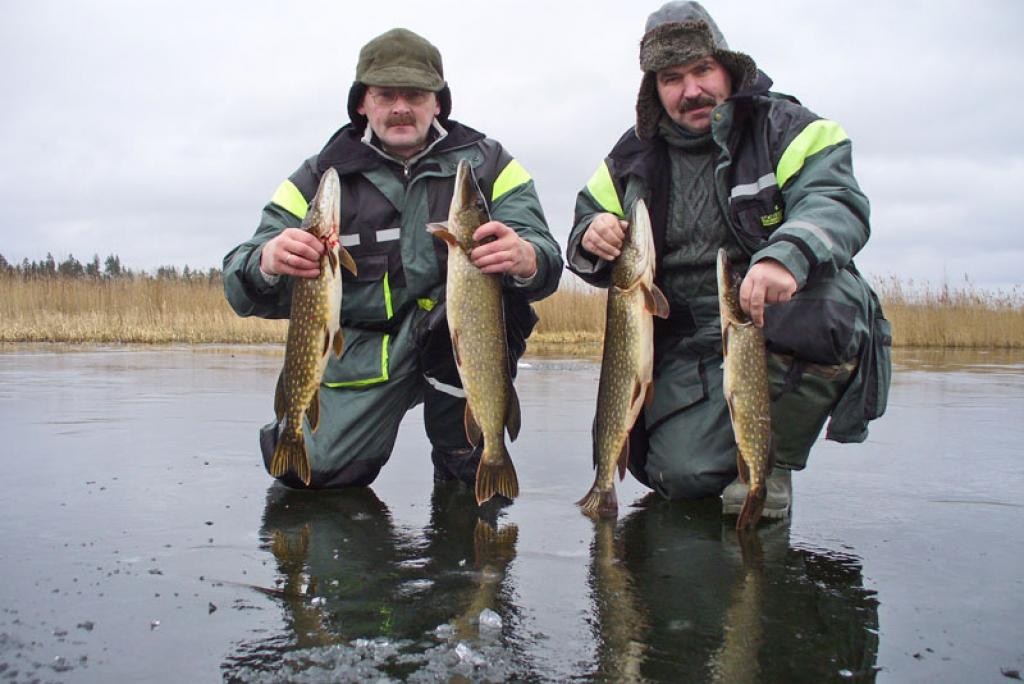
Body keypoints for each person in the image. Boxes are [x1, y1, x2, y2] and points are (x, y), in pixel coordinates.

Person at [566, 2, 891, 520]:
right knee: (682, 477)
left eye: (701, 70)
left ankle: (770, 463)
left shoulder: (787, 128)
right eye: (671, 78)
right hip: (690, 340)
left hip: (770, 317)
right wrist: (592, 235)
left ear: (728, 67)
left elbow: (835, 201)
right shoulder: (630, 157)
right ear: (654, 89)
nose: (690, 90)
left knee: (835, 304)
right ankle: (716, 452)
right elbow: (585, 221)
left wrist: (785, 258)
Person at [224, 28, 563, 490]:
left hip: (459, 343)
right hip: (368, 351)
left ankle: (465, 453)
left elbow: (545, 256)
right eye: (386, 95)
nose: (401, 107)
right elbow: (239, 280)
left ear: (438, 102)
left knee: (470, 481)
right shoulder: (320, 175)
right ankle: (308, 438)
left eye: (415, 95)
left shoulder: (490, 164)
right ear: (363, 102)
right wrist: (267, 259)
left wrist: (526, 257)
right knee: (314, 474)